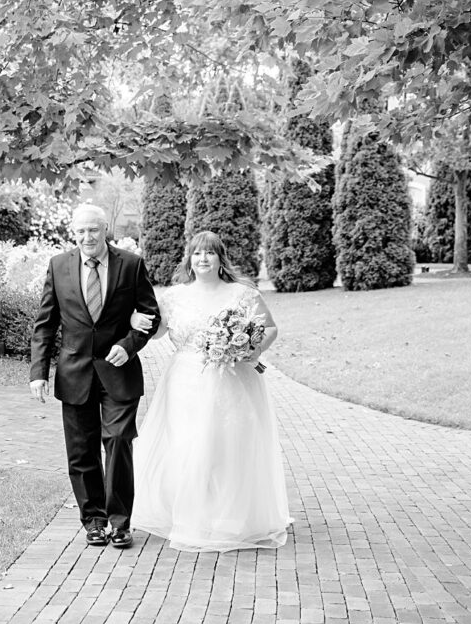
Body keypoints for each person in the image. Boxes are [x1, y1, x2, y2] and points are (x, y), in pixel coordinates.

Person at [129, 231, 294, 552]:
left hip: (232, 382)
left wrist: (250, 348)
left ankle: (228, 518)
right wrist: (135, 318)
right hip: (185, 384)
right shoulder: (174, 296)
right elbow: (157, 331)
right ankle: (191, 515)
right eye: (196, 254)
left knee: (226, 446)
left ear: (221, 259)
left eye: (210, 253)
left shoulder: (241, 294)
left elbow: (269, 328)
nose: (203, 259)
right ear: (189, 260)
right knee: (188, 445)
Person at [30, 204, 160, 549]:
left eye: (93, 230)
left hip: (119, 372)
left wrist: (129, 345)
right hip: (75, 374)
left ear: (106, 230)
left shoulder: (130, 265)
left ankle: (120, 522)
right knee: (81, 451)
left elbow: (150, 315)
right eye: (81, 231)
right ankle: (94, 521)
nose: (87, 237)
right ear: (74, 233)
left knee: (118, 441)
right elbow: (45, 324)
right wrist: (38, 372)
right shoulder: (58, 267)